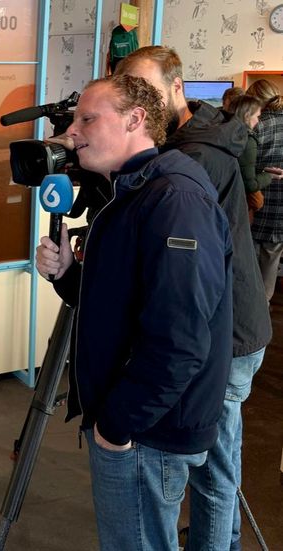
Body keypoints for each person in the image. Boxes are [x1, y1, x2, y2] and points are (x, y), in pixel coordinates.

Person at [37, 74, 233, 550]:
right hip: (135, 422)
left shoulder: (175, 200)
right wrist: (67, 274)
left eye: (88, 119)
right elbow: (121, 305)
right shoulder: (132, 192)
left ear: (135, 119)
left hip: (147, 431)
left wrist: (115, 426)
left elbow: (180, 341)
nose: (72, 132)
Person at [115, 46, 272, 551]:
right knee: (216, 464)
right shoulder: (192, 141)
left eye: (145, 88)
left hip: (228, 333)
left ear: (176, 87)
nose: (136, 101)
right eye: (127, 90)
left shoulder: (193, 157)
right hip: (226, 325)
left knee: (214, 468)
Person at [247, 79, 283, 302]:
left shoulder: (257, 125)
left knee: (248, 256)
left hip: (256, 199)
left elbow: (245, 165)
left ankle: (246, 308)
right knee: (271, 256)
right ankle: (264, 305)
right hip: (280, 207)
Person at [227, 94, 279, 222]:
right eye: (257, 116)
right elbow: (250, 185)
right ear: (247, 116)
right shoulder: (246, 139)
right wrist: (269, 175)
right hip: (237, 207)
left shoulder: (223, 132)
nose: (258, 121)